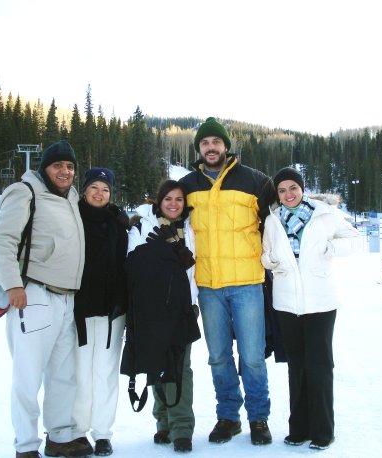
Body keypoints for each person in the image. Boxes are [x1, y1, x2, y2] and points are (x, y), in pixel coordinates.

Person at [0, 140, 92, 458]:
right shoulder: (25, 191)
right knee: (28, 375)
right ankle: (26, 445)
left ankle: (59, 437)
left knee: (63, 374)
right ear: (44, 168)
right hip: (33, 295)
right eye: (58, 165)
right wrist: (12, 285)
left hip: (65, 299)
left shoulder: (71, 196)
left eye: (70, 166)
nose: (65, 171)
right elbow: (1, 240)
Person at [178, 117, 276, 446]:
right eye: (205, 143)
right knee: (218, 355)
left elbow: (278, 219)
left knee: (251, 355)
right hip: (208, 285)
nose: (210, 147)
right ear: (199, 149)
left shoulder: (255, 181)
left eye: (216, 142)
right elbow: (169, 215)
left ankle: (259, 418)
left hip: (248, 282)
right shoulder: (188, 185)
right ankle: (228, 417)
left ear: (225, 146)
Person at [261, 167, 361, 451]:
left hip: (321, 300)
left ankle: (322, 430)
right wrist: (272, 260)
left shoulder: (325, 215)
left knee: (319, 365)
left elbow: (353, 239)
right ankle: (299, 428)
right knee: (297, 366)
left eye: (293, 188)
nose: (288, 194)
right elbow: (265, 253)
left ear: (302, 189)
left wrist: (331, 249)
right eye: (282, 190)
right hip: (287, 302)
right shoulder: (272, 220)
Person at [124, 179, 200, 453]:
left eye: (179, 199)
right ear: (159, 201)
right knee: (157, 363)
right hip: (152, 308)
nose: (173, 204)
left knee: (180, 366)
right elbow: (133, 262)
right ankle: (163, 423)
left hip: (184, 307)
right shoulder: (143, 225)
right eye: (168, 199)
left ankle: (181, 428)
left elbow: (195, 264)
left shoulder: (191, 228)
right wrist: (163, 254)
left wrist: (179, 253)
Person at [70, 168, 129, 457]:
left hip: (111, 310)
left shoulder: (119, 222)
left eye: (105, 189)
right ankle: (78, 431)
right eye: (94, 187)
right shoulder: (70, 217)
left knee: (105, 372)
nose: (99, 193)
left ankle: (103, 433)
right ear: (84, 190)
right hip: (77, 308)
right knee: (79, 373)